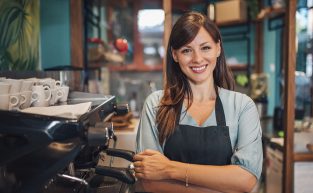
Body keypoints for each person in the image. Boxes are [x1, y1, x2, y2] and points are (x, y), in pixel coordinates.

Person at [134, 11, 263, 193]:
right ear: (175, 55)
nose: (197, 59)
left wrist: (169, 169)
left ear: (218, 48)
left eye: (205, 48)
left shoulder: (242, 106)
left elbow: (246, 179)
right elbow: (149, 181)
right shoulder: (156, 104)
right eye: (187, 50)